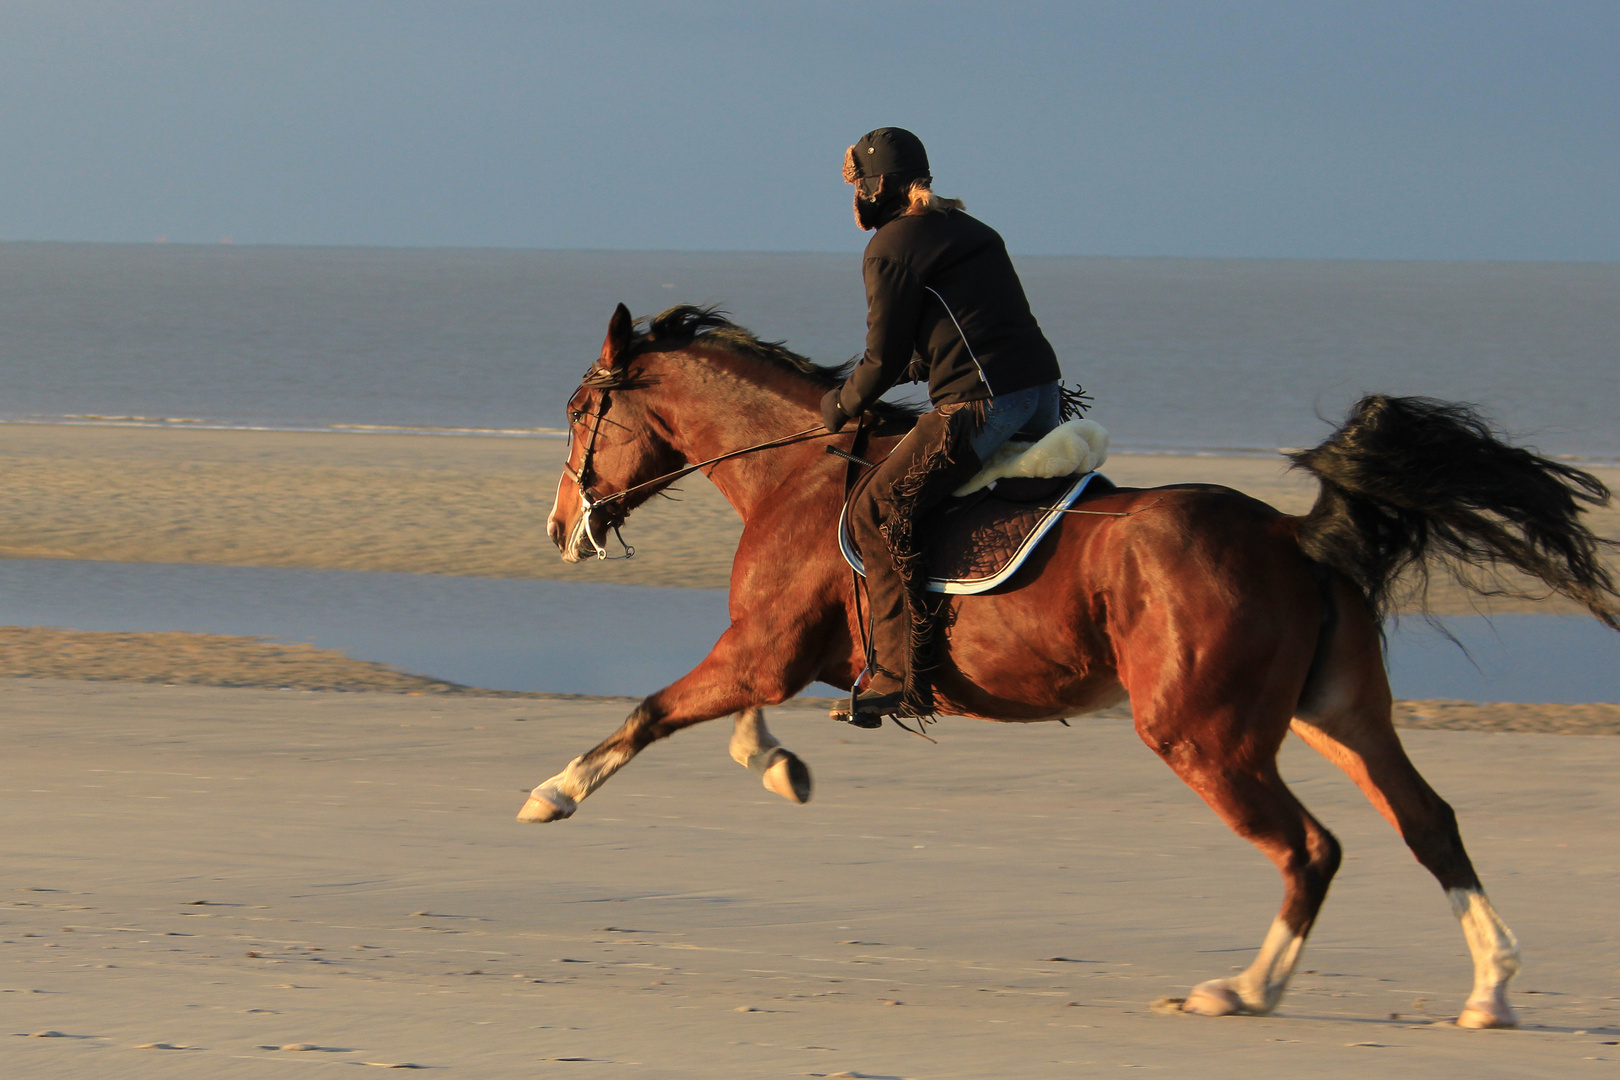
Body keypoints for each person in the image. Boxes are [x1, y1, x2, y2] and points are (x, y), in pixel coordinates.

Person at [822, 127, 1064, 721]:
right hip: (1043, 396)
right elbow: (963, 329)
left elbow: (878, 359)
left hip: (982, 404)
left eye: (856, 184)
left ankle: (894, 675)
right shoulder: (976, 231)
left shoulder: (890, 246)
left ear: (879, 186)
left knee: (875, 512)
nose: (853, 197)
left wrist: (840, 405)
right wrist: (913, 369)